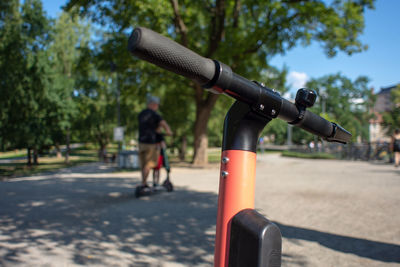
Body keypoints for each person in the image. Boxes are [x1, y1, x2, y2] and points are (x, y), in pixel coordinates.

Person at [138, 96, 172, 188]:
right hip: (150, 143)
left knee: (143, 164)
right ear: (153, 104)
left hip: (141, 142)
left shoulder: (141, 114)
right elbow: (163, 124)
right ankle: (143, 184)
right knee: (149, 164)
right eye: (157, 105)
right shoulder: (155, 115)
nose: (157, 107)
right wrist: (169, 132)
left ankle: (144, 183)